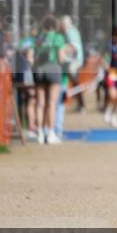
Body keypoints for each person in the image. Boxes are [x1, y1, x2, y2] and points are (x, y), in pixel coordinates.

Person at [33, 15, 71, 144]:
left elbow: (34, 56)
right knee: (52, 103)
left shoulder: (39, 38)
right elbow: (61, 58)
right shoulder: (58, 37)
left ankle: (39, 133)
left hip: (39, 71)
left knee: (40, 103)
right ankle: (50, 133)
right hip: (54, 69)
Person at [54, 15, 83, 138]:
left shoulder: (71, 33)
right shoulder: (59, 37)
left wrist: (74, 64)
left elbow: (75, 51)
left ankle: (56, 129)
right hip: (58, 74)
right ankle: (54, 129)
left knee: (59, 102)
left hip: (64, 73)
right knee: (56, 102)